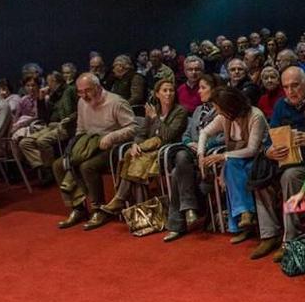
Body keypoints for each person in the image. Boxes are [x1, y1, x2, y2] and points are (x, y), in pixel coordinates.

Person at [53, 73, 136, 230]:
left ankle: (99, 209)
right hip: (88, 144)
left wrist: (113, 136)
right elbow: (81, 128)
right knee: (59, 165)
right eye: (80, 92)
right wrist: (75, 147)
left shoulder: (116, 102)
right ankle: (78, 208)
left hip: (112, 147)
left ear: (98, 87)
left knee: (87, 167)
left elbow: (133, 128)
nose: (84, 95)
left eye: (88, 91)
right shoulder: (81, 102)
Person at [251, 66, 305, 260]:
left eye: (295, 85)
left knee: (289, 178)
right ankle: (269, 233)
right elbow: (271, 136)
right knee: (259, 176)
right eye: (286, 87)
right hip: (284, 159)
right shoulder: (281, 105)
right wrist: (269, 150)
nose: (290, 91)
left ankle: (291, 238)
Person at [100, 79, 188, 218]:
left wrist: (155, 118)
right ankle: (143, 214)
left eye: (171, 90)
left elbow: (168, 135)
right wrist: (136, 144)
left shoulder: (180, 111)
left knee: (134, 160)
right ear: (157, 94)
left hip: (168, 151)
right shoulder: (155, 109)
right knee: (134, 156)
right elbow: (142, 133)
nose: (168, 93)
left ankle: (121, 199)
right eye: (164, 90)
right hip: (148, 150)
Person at [197, 86, 269, 244]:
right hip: (236, 161)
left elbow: (252, 149)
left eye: (219, 108)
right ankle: (245, 216)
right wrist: (201, 154)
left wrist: (223, 156)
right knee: (231, 167)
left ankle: (242, 221)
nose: (217, 112)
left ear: (229, 106)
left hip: (259, 160)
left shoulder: (255, 116)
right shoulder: (224, 117)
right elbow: (204, 132)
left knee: (231, 167)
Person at [163, 74, 222, 242]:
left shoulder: (222, 110)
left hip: (210, 155)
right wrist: (190, 143)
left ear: (214, 89)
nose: (199, 91)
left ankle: (177, 224)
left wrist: (204, 145)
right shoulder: (197, 110)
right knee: (181, 154)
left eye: (203, 88)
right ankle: (188, 209)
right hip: (192, 153)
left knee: (176, 173)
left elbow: (224, 137)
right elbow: (187, 134)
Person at [19, 71, 77, 185]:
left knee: (42, 141)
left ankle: (51, 172)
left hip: (65, 125)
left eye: (48, 82)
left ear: (55, 82)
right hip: (50, 125)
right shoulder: (52, 96)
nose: (47, 85)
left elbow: (77, 109)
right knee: (24, 143)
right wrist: (40, 99)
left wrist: (68, 120)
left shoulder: (69, 90)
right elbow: (43, 117)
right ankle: (44, 168)